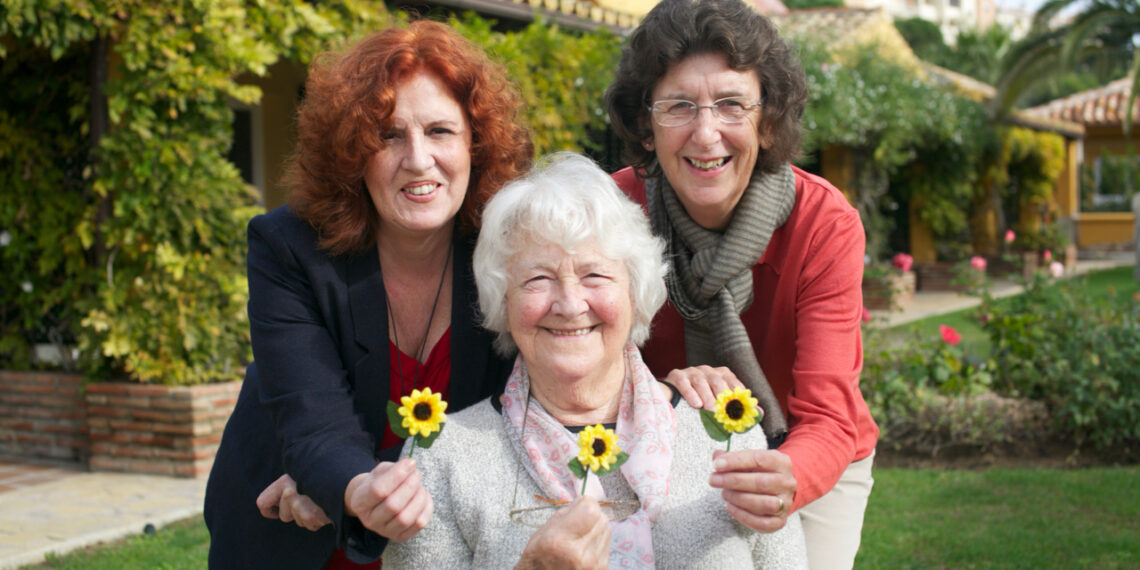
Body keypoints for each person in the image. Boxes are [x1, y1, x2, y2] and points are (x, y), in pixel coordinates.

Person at [203, 20, 532, 568]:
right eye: (388, 135)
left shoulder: (511, 250)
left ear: (476, 143)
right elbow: (313, 414)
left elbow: (515, 415)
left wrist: (324, 482)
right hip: (290, 531)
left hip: (434, 536)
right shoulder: (289, 248)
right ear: (354, 150)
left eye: (441, 132)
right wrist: (348, 485)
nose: (419, 159)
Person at [382, 152, 809, 569]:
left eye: (595, 275)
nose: (570, 304)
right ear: (503, 300)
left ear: (635, 292)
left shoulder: (725, 438)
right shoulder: (443, 460)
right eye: (538, 279)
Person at [603, 0, 880, 568]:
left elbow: (829, 415)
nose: (707, 135)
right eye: (679, 106)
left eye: (731, 104)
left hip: (806, 450)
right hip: (657, 441)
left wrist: (788, 475)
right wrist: (662, 393)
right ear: (645, 125)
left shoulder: (823, 223)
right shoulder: (611, 212)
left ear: (767, 119)